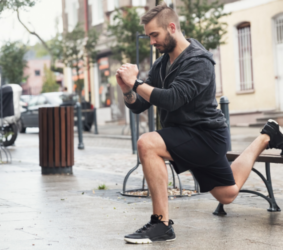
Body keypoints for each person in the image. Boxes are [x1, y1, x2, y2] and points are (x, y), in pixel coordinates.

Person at [116, 3, 283, 244]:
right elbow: (139, 105)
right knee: (228, 193)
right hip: (185, 135)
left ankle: (161, 224)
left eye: (155, 35)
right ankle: (267, 136)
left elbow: (172, 99)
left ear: (171, 27)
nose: (152, 41)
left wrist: (136, 83)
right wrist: (127, 91)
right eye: (150, 36)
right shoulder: (162, 64)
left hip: (205, 136)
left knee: (147, 143)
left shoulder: (199, 61)